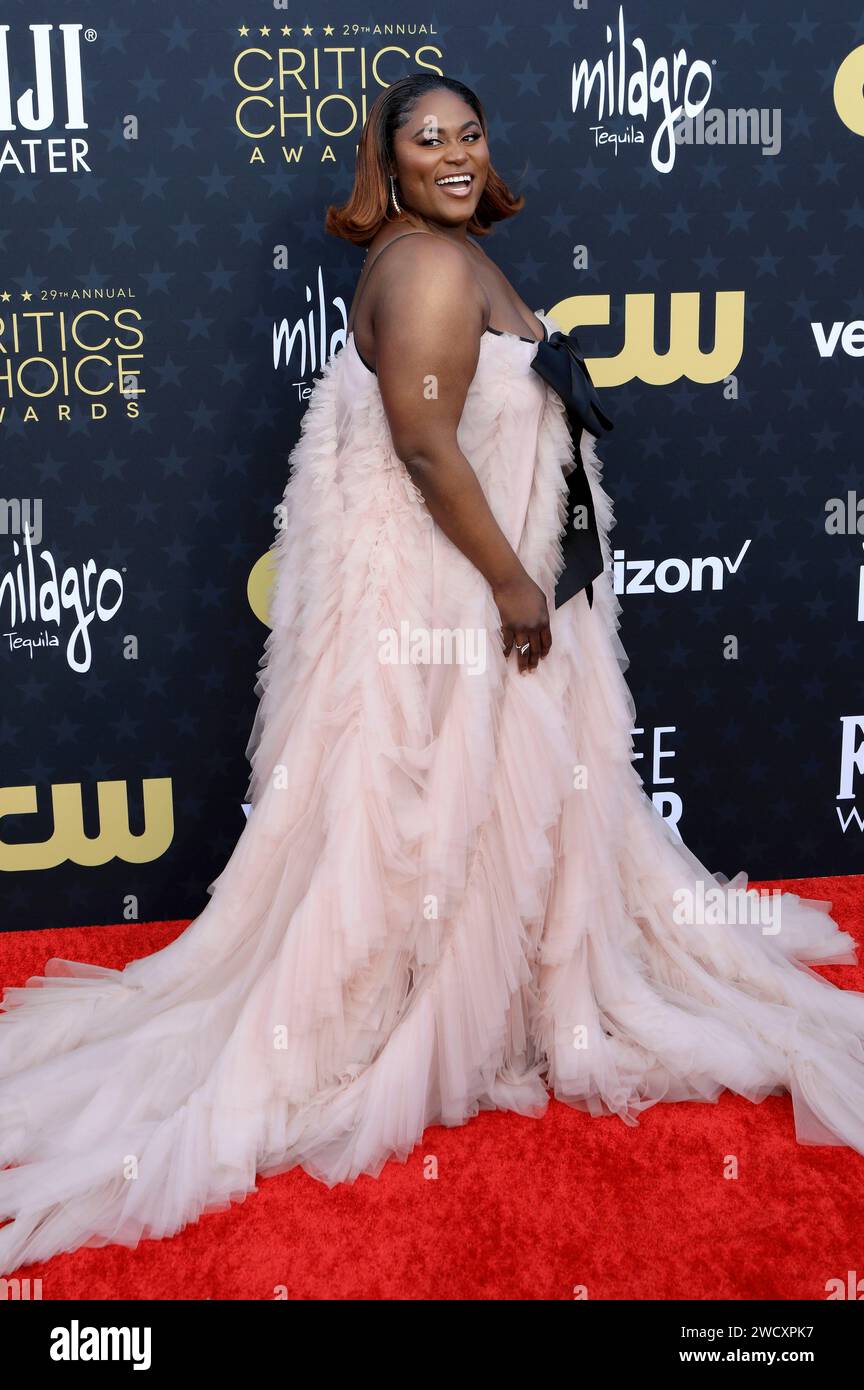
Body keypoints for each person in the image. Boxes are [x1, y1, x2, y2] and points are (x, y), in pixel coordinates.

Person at [2, 72, 863, 1277]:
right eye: (426, 139)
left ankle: (474, 986)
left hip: (473, 589)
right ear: (386, 160)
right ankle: (421, 1012)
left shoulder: (453, 255)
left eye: (468, 134)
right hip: (465, 600)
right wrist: (517, 585)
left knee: (469, 822)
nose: (454, 154)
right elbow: (419, 438)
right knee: (438, 814)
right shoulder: (427, 269)